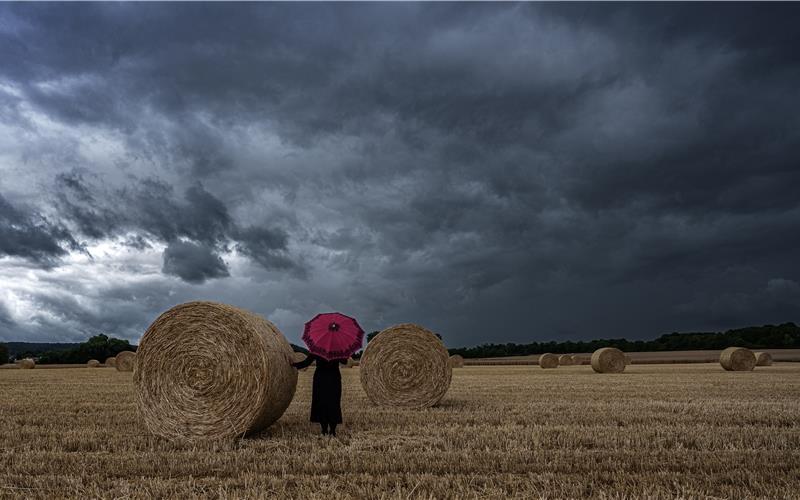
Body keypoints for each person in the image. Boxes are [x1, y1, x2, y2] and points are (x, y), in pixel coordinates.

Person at [291, 353, 348, 436]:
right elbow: (345, 362)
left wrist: (293, 364)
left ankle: (324, 430)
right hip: (334, 378)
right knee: (333, 403)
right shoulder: (337, 349)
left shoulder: (317, 349)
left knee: (321, 402)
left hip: (321, 378)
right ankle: (332, 430)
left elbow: (306, 362)